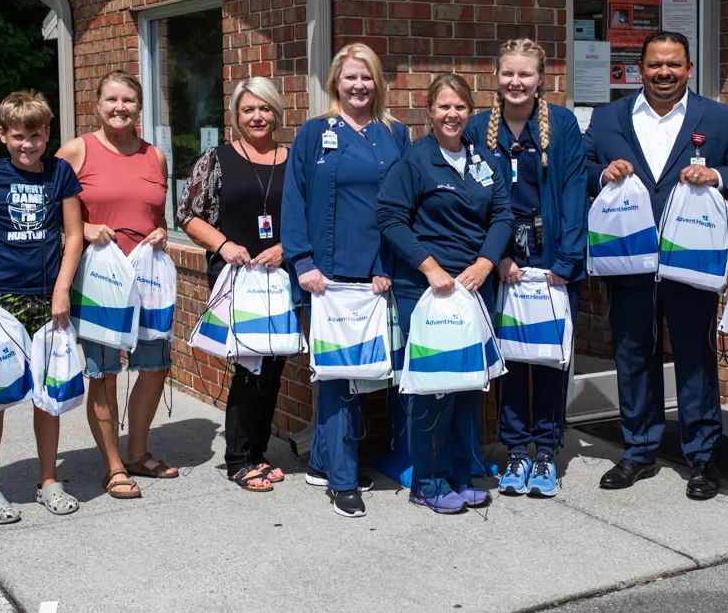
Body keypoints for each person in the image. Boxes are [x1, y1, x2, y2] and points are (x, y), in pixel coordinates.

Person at [584, 30, 728, 500]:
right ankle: (639, 450)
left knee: (695, 356)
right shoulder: (607, 116)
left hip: (689, 256)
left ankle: (702, 455)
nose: (664, 73)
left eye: (674, 65)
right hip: (628, 256)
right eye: (655, 65)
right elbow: (582, 167)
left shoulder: (718, 117)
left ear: (689, 69)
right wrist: (603, 174)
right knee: (633, 353)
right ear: (639, 69)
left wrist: (716, 175)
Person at [281, 43, 411, 517]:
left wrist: (388, 266)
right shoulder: (315, 133)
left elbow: (403, 205)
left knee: (366, 374)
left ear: (378, 82)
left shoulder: (395, 134)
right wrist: (302, 262)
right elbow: (293, 200)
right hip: (325, 279)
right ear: (335, 82)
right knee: (338, 378)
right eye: (350, 77)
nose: (359, 86)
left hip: (378, 277)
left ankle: (322, 459)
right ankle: (341, 478)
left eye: (367, 77)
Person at [378, 73, 514, 514]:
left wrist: (486, 262)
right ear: (430, 111)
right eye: (444, 107)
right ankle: (428, 482)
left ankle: (458, 474)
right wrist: (431, 268)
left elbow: (502, 217)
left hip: (473, 288)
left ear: (470, 112)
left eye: (460, 107)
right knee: (432, 388)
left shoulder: (484, 160)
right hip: (428, 290)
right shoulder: (415, 161)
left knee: (467, 385)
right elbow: (391, 219)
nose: (452, 115)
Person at [465, 39, 587, 498]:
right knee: (511, 359)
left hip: (553, 258)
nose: (516, 82)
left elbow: (575, 192)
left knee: (552, 359)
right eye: (508, 74)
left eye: (525, 74)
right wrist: (496, 258)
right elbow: (473, 205)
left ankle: (545, 453)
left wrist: (566, 260)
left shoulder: (563, 125)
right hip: (502, 262)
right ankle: (516, 448)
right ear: (496, 77)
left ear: (541, 79)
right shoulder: (479, 129)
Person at [0, 91, 84, 523]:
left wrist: (62, 291)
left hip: (48, 301)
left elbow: (74, 235)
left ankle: (48, 480)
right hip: (2, 300)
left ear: (47, 133)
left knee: (47, 395)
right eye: (18, 136)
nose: (27, 144)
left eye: (35, 135)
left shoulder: (60, 173)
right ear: (2, 135)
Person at [56, 71, 177, 500]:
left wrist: (162, 232)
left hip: (146, 279)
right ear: (97, 104)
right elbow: (47, 209)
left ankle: (138, 451)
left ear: (139, 106)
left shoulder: (155, 157)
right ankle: (112, 467)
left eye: (128, 100)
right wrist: (84, 227)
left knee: (155, 366)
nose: (120, 107)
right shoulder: (76, 151)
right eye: (111, 99)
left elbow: (156, 216)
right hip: (99, 280)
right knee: (104, 373)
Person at [179, 78, 292, 493]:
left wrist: (285, 248)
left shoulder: (293, 159)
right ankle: (240, 459)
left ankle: (257, 452)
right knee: (249, 364)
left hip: (281, 273)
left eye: (264, 109)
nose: (257, 117)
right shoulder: (218, 159)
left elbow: (312, 215)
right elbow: (187, 214)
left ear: (277, 112)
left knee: (273, 364)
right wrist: (224, 245)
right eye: (248, 110)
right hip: (237, 274)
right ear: (236, 116)